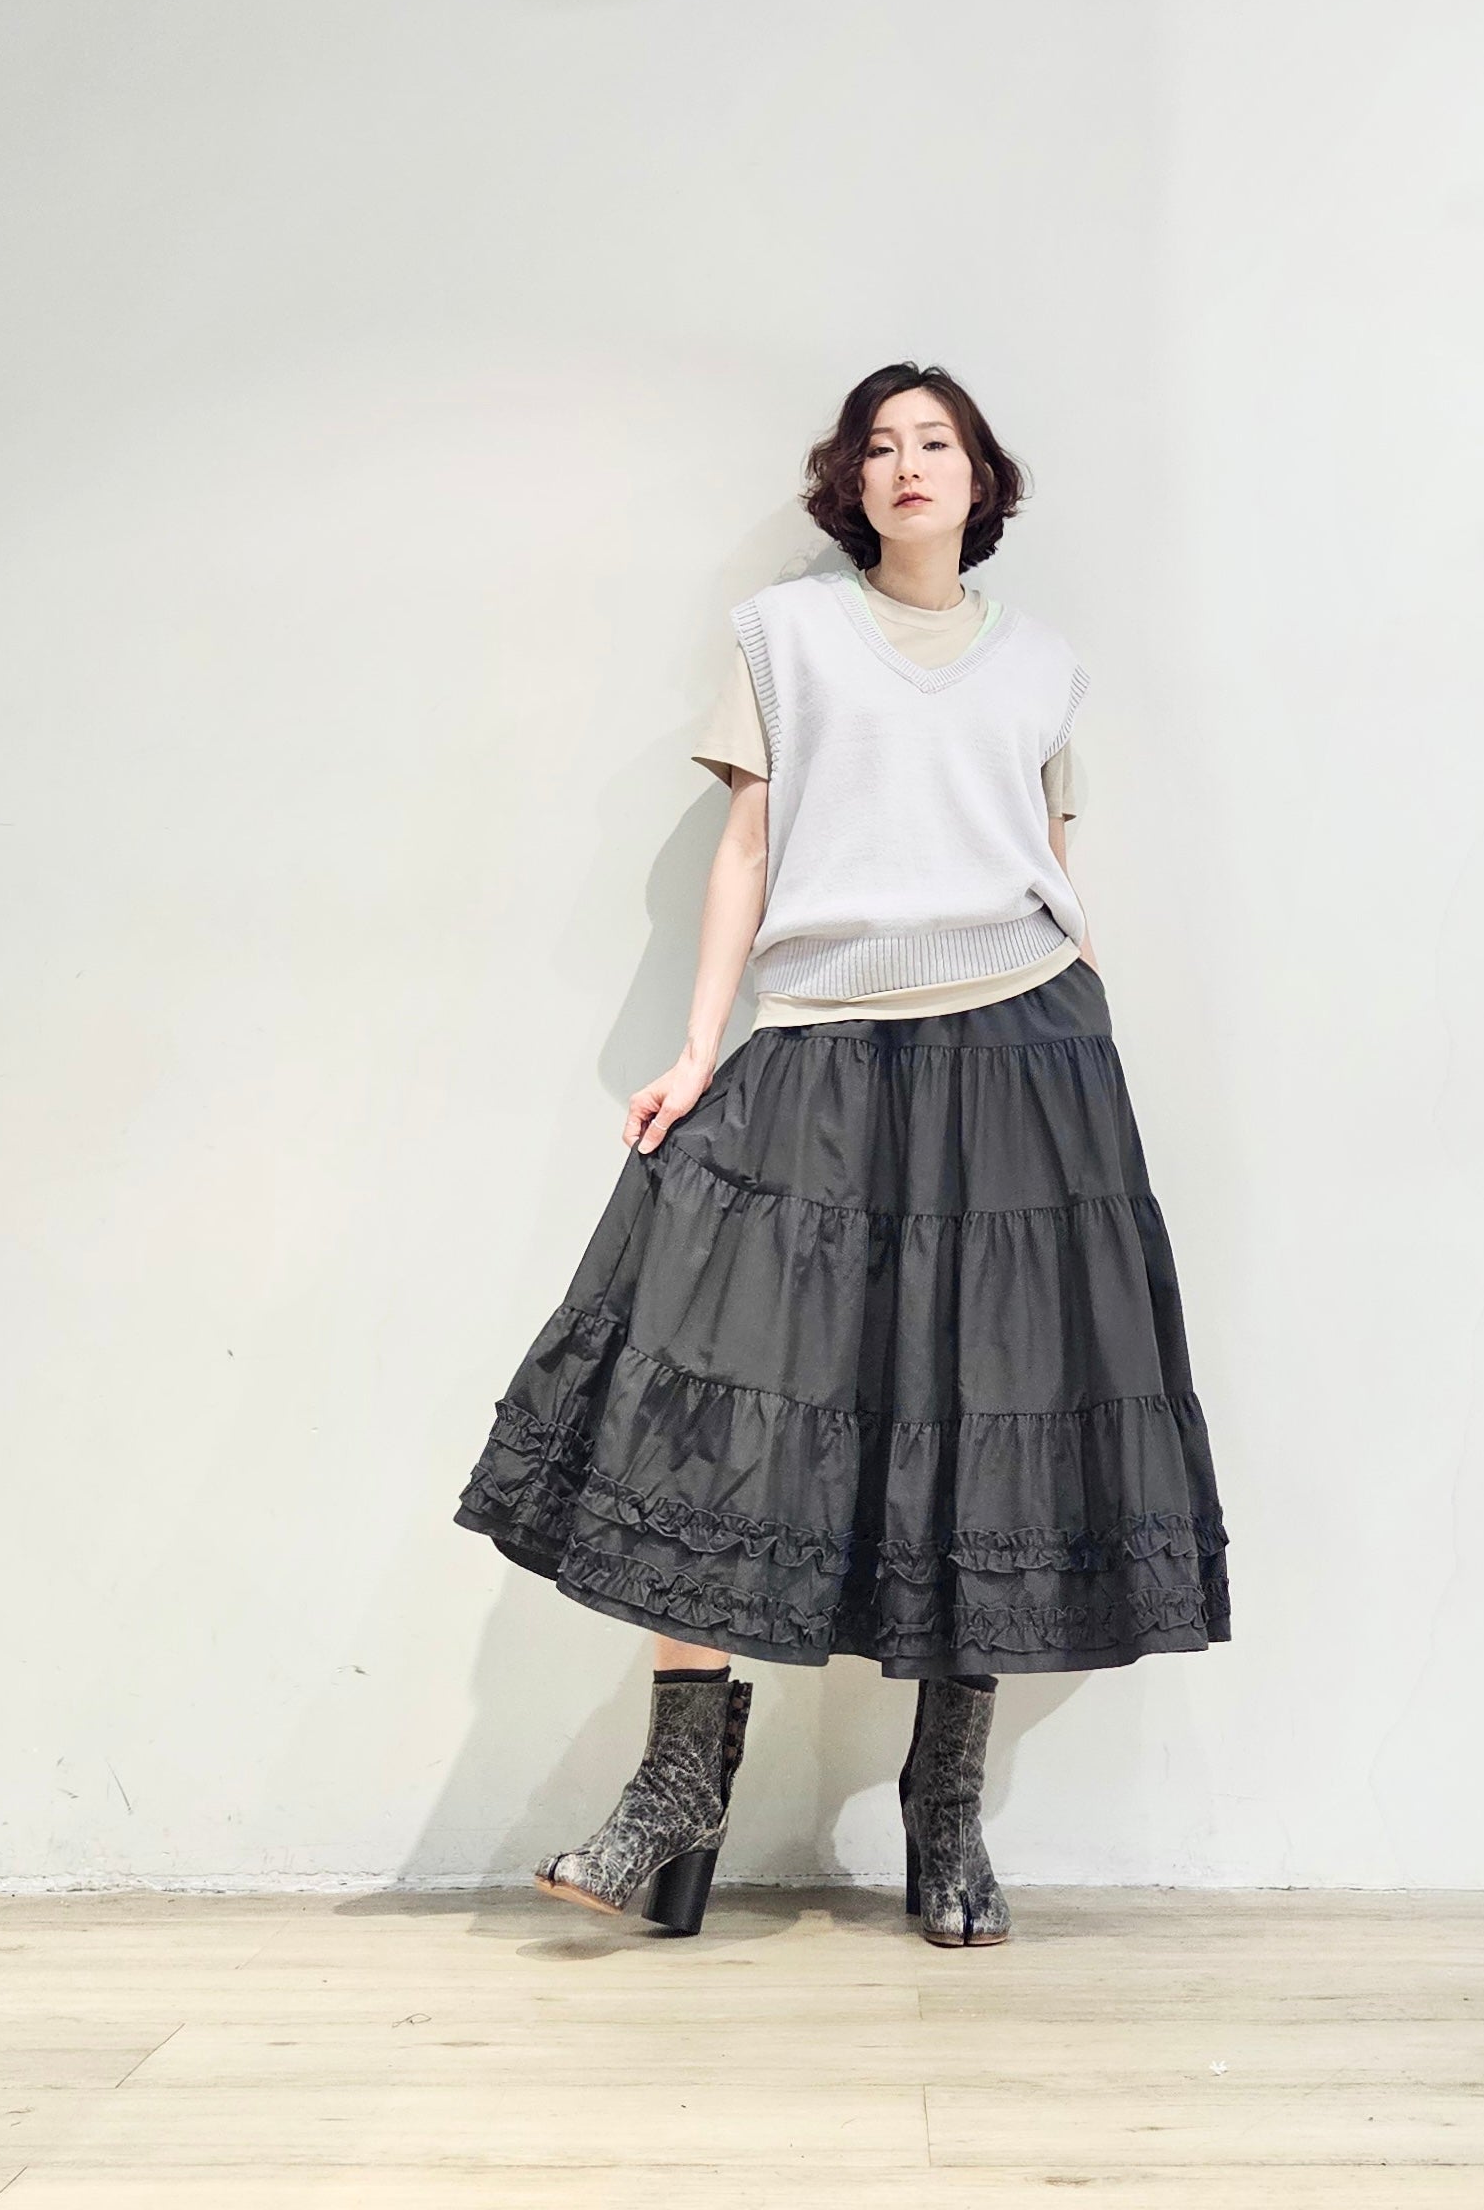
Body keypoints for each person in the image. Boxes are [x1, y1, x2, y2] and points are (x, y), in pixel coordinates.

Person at [454, 361, 1231, 1946]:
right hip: (821, 1036)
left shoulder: (1042, 668)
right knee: (705, 1399)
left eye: (934, 441)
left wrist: (1090, 1071)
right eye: (879, 445)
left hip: (1024, 1047)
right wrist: (699, 1048)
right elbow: (744, 848)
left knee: (989, 1417)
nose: (906, 463)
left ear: (978, 477)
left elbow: (1052, 866)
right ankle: (677, 1793)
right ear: (849, 482)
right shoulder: (786, 637)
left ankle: (945, 1816)